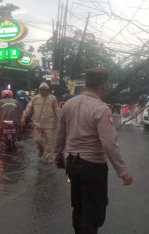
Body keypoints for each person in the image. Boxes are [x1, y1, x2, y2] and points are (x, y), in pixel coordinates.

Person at [54, 68, 132, 234]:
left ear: (87, 84)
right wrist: (123, 172)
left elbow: (60, 135)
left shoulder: (69, 104)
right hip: (92, 168)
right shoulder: (101, 108)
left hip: (72, 165)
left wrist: (58, 154)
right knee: (93, 212)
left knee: (79, 206)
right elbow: (109, 144)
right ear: (103, 86)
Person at [21, 82, 60, 163]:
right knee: (37, 140)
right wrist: (24, 117)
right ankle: (41, 148)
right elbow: (29, 108)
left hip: (49, 124)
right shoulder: (35, 98)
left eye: (45, 90)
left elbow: (57, 110)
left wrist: (59, 121)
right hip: (37, 123)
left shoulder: (53, 98)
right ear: (39, 90)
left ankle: (47, 156)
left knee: (49, 142)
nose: (44, 91)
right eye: (42, 90)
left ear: (48, 90)